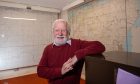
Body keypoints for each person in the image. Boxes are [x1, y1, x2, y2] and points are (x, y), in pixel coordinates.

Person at [37, 19, 105, 84]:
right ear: (53, 32)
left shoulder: (77, 44)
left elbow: (99, 45)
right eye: (57, 30)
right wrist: (60, 71)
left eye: (63, 30)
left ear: (68, 32)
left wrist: (77, 56)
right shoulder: (47, 48)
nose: (60, 33)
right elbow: (40, 71)